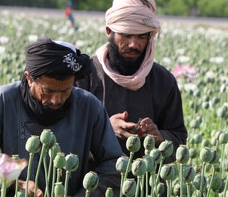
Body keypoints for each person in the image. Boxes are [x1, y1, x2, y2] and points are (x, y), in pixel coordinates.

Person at [0, 38, 124, 197]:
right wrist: (13, 185)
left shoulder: (89, 107)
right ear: (29, 78)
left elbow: (114, 164)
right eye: (48, 91)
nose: (56, 100)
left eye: (65, 91)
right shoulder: (3, 101)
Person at [76, 0, 187, 159]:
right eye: (126, 35)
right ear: (109, 31)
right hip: (94, 181)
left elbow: (179, 139)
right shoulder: (85, 74)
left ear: (150, 37)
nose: (134, 44)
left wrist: (160, 137)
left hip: (147, 182)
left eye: (141, 37)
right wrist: (104, 129)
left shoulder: (163, 81)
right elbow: (65, 135)